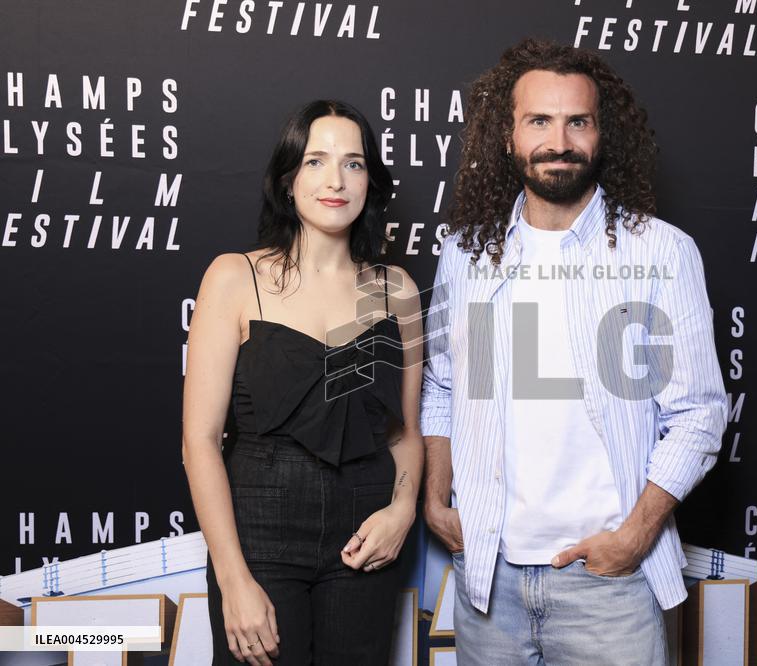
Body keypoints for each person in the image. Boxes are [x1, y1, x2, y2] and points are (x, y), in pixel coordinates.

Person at [420, 39, 728, 663]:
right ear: (506, 136)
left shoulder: (660, 253)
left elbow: (699, 415)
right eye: (539, 120)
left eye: (576, 121)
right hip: (490, 582)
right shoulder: (467, 253)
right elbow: (444, 386)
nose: (558, 140)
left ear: (600, 133)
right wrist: (435, 494)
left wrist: (633, 538)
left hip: (608, 588)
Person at [183, 100, 423, 665]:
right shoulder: (235, 278)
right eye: (316, 161)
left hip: (365, 537)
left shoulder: (398, 290)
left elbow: (405, 432)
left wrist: (403, 508)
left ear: (370, 182)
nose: (335, 180)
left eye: (354, 163)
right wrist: (234, 579)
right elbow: (199, 442)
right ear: (288, 179)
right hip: (259, 534)